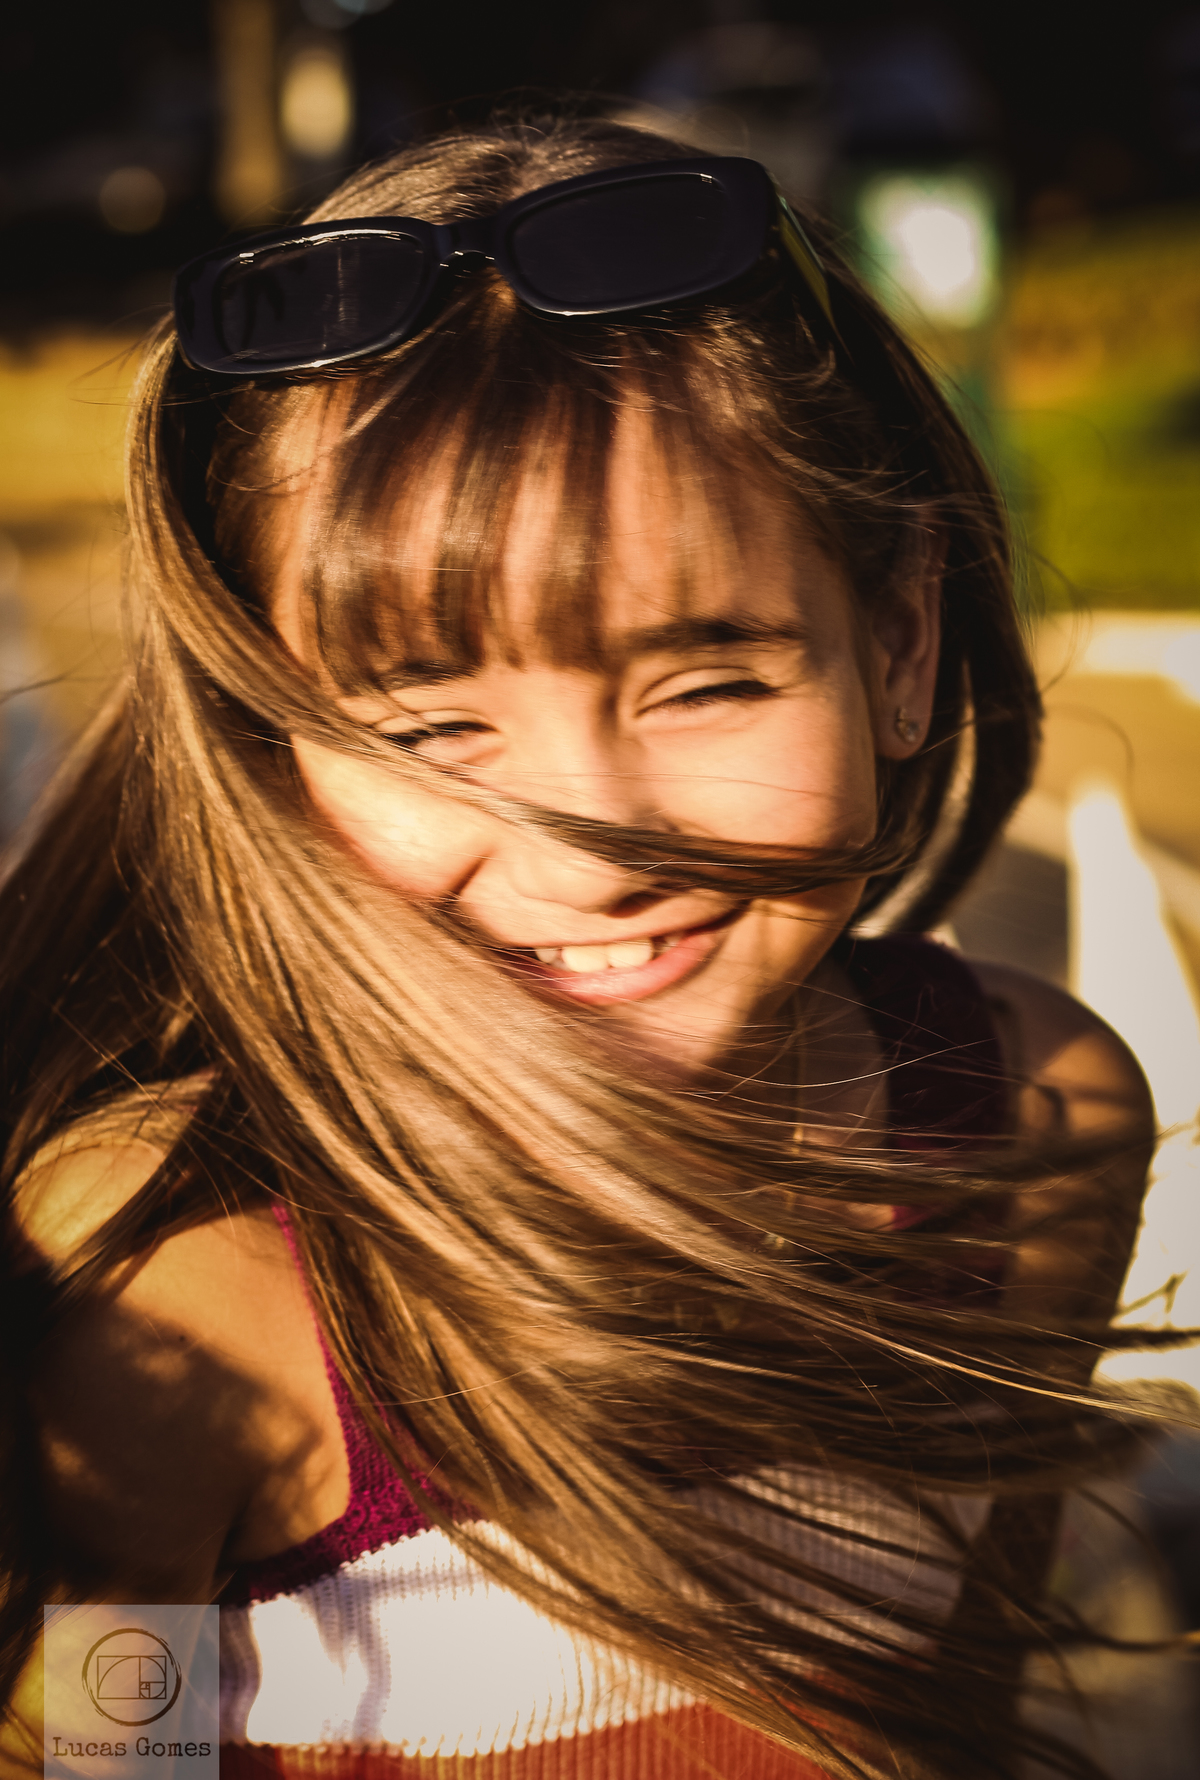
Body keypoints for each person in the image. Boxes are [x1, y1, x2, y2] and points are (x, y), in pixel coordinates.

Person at [0, 113, 1165, 1780]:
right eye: (426, 729)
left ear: (899, 643)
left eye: (707, 685)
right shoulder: (181, 1291)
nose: (585, 843)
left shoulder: (1032, 1128)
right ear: (270, 742)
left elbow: (949, 1719)